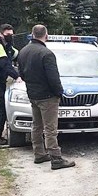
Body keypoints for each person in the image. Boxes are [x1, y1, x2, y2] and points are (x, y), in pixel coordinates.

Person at [17, 24, 75, 170]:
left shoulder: (23, 51)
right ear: (46, 35)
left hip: (33, 94)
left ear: (32, 34)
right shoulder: (46, 54)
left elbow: (21, 74)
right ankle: (56, 158)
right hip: (48, 96)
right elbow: (53, 77)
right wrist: (59, 92)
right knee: (50, 128)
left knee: (36, 125)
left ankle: (39, 153)